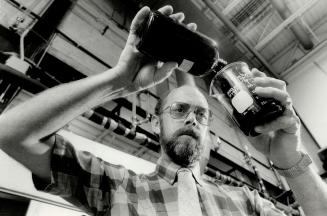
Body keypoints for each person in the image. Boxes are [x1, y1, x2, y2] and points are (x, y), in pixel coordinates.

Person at [0, 4, 326, 216]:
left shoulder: (246, 202)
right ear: (156, 125)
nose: (191, 119)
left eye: (201, 115)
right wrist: (119, 80)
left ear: (211, 138)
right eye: (180, 110)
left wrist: (290, 162)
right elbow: (9, 132)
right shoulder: (117, 186)